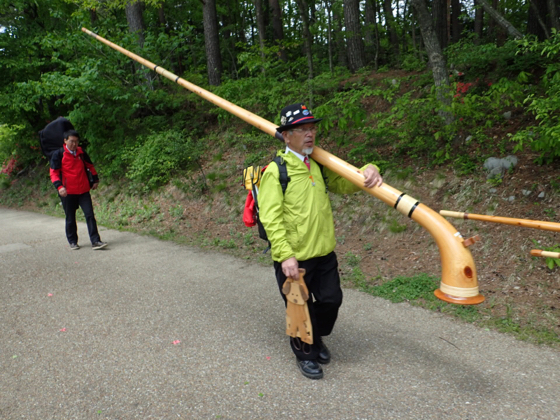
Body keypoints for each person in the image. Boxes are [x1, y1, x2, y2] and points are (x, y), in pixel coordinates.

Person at [258, 103, 383, 380]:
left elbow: (347, 183)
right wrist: (285, 255)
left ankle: (315, 336)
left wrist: (369, 169)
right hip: (294, 258)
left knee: (331, 300)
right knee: (300, 309)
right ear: (286, 135)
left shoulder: (319, 164)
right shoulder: (276, 171)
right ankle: (306, 355)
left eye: (312, 128)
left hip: (324, 253)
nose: (310, 134)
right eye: (302, 129)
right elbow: (271, 217)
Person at [49, 130, 107, 251]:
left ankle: (95, 240)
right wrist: (59, 187)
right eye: (71, 141)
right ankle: (72, 241)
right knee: (70, 217)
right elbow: (54, 173)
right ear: (65, 141)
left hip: (83, 190)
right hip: (68, 192)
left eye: (76, 141)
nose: (74, 144)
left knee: (90, 215)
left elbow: (90, 166)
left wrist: (95, 180)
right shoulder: (58, 154)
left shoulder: (81, 153)